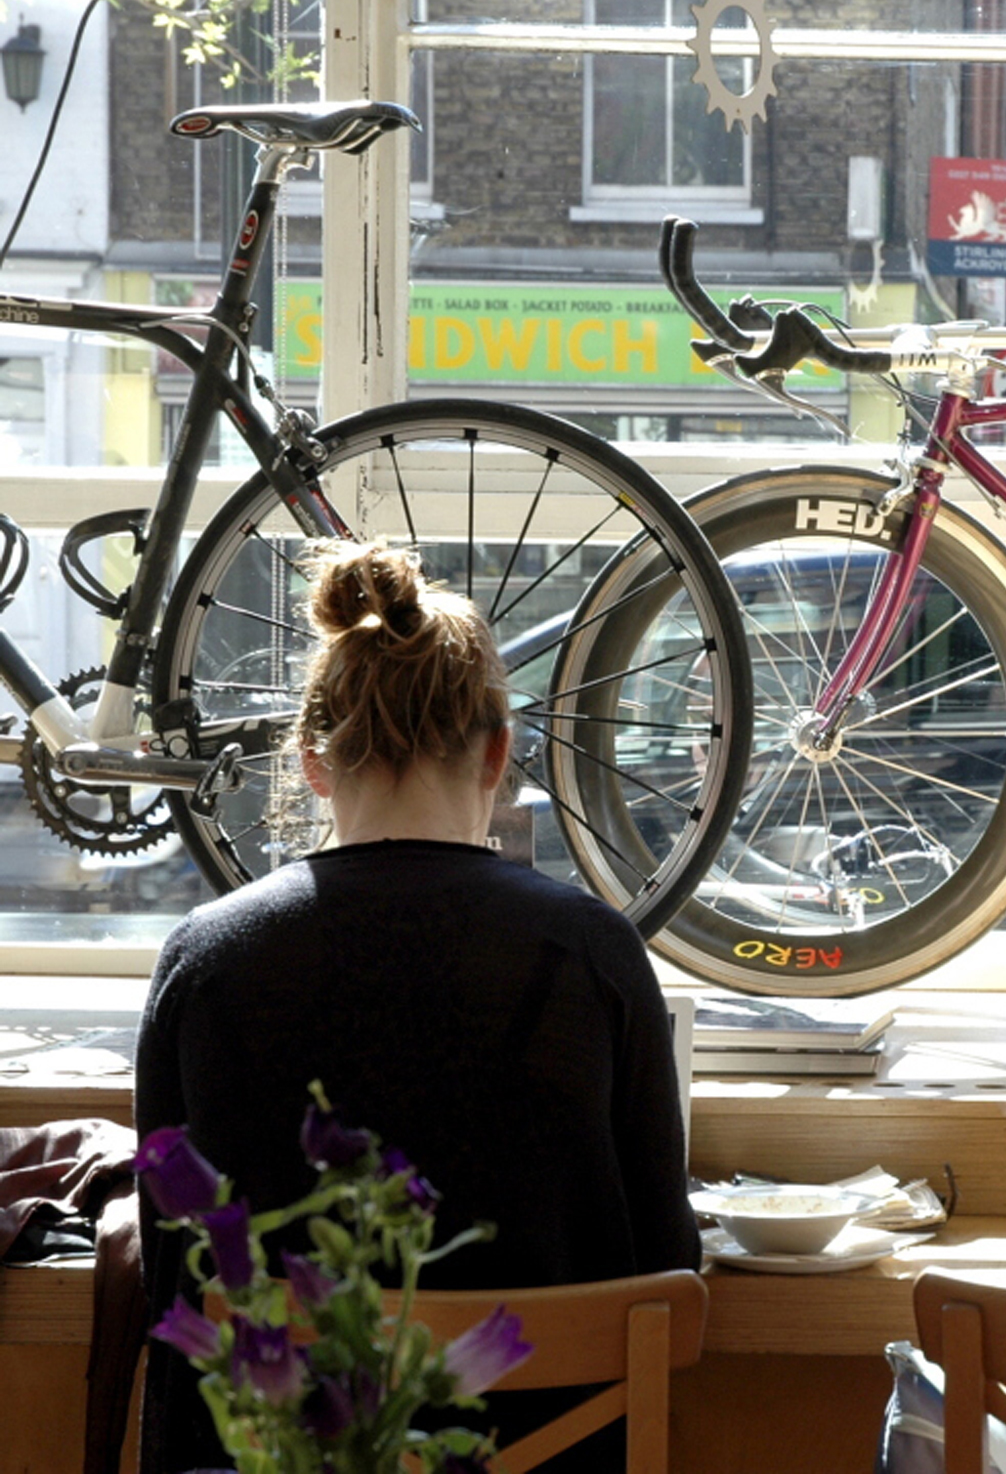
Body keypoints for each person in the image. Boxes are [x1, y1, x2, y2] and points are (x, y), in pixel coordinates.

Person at [134, 541, 698, 1473]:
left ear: (311, 761)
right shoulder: (591, 953)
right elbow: (668, 1272)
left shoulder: (209, 960)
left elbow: (176, 1278)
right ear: (498, 755)